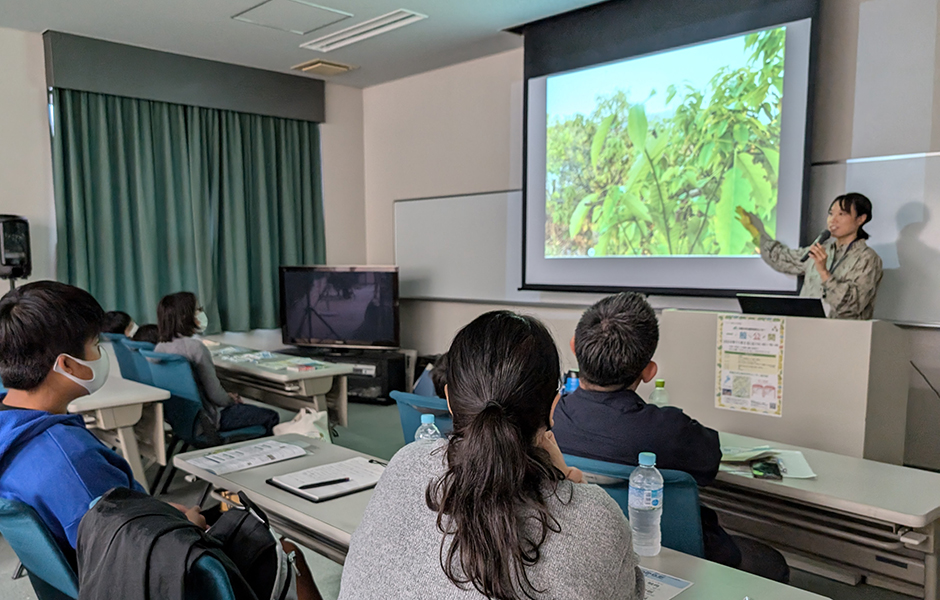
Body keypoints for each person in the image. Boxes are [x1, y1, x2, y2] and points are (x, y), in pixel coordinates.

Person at [339, 311, 644, 600]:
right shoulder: (596, 517)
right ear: (553, 406)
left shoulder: (406, 463)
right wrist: (570, 487)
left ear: (448, 400)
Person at [551, 292, 789, 583]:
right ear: (649, 372)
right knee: (771, 562)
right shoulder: (671, 431)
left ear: (575, 348)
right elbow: (711, 459)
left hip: (589, 552)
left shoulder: (550, 419)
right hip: (679, 555)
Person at [0, 282, 202, 559]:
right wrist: (188, 529)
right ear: (67, 365)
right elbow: (135, 559)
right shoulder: (72, 461)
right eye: (95, 345)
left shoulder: (11, 426)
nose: (100, 354)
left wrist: (155, 512)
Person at [737, 193, 883, 319]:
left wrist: (824, 273)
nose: (833, 219)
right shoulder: (821, 249)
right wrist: (755, 232)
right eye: (831, 214)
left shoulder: (867, 258)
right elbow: (783, 259)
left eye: (842, 214)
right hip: (807, 331)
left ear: (861, 219)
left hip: (843, 338)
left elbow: (853, 305)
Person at [155, 292, 279, 438]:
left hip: (184, 421)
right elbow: (215, 395)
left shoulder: (159, 349)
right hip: (209, 421)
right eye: (198, 310)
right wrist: (231, 399)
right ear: (185, 317)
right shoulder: (195, 348)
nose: (201, 313)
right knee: (271, 416)